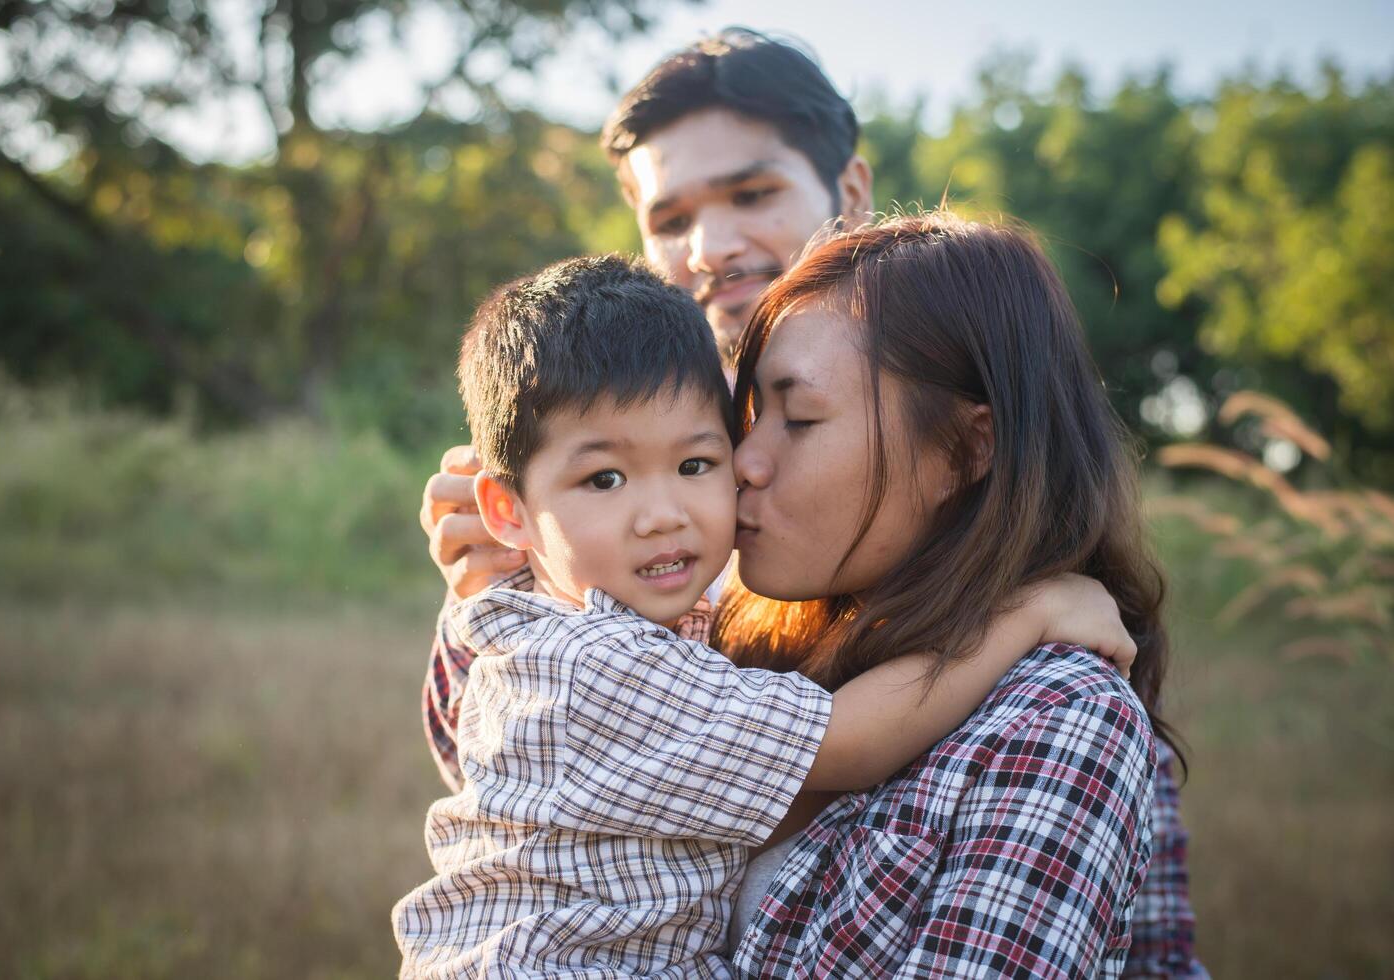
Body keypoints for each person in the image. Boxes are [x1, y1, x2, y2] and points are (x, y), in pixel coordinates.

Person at [420, 30, 1204, 977]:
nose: (709, 247)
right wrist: (496, 600)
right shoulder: (650, 531)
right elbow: (532, 789)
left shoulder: (1049, 698)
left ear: (850, 196)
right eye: (668, 218)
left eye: (752, 193)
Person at [393, 254, 1136, 978]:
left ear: (967, 447)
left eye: (799, 418)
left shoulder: (1059, 713)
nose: (746, 461)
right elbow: (839, 748)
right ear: (505, 509)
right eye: (605, 478)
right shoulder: (598, 654)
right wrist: (1028, 612)